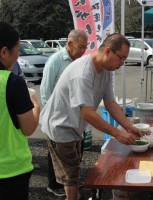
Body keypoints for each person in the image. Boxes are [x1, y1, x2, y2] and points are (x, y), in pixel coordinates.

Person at [39, 33, 142, 200]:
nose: (122, 64)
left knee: (73, 171)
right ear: (108, 51)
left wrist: (129, 126)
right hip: (60, 125)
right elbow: (86, 112)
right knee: (71, 176)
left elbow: (110, 102)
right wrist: (117, 134)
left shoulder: (107, 70)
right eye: (121, 58)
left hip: (74, 125)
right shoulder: (83, 72)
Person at [40, 29, 88, 197]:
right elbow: (46, 90)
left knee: (74, 154)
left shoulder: (79, 61)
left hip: (73, 117)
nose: (83, 51)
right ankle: (54, 184)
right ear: (69, 44)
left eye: (85, 47)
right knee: (56, 153)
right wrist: (50, 117)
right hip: (56, 117)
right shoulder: (56, 61)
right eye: (80, 47)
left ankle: (70, 181)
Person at [0, 22, 40, 200]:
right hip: (11, 172)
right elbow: (28, 128)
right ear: (3, 52)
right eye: (17, 49)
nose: (18, 55)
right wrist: (36, 105)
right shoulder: (12, 82)